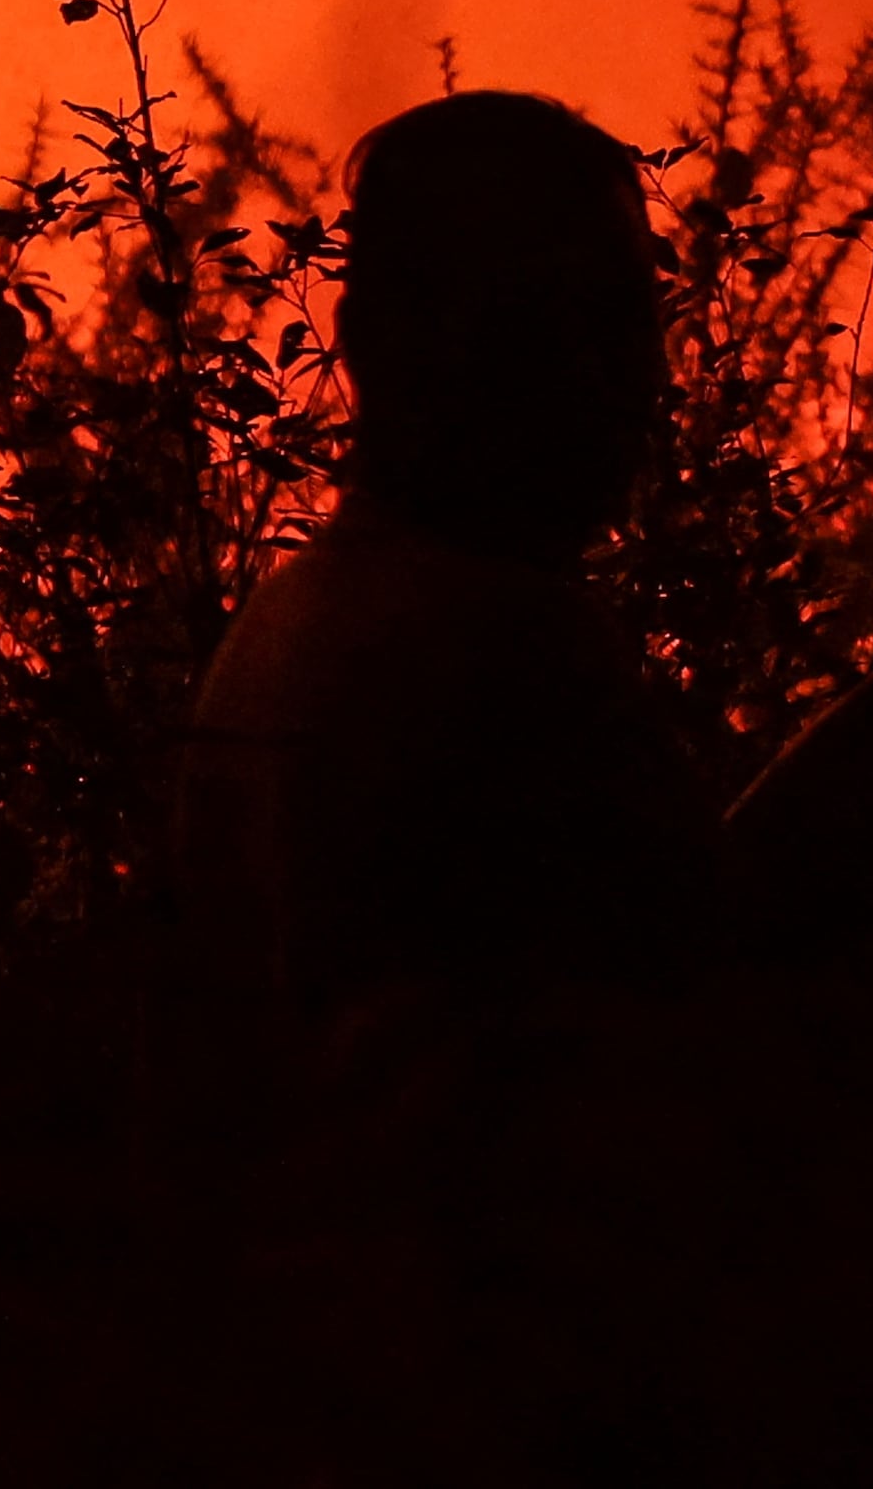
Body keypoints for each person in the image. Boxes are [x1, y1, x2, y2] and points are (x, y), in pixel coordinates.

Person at [179, 90, 717, 1018]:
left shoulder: (286, 628)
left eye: (634, 318)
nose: (645, 374)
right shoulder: (511, 654)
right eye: (593, 317)